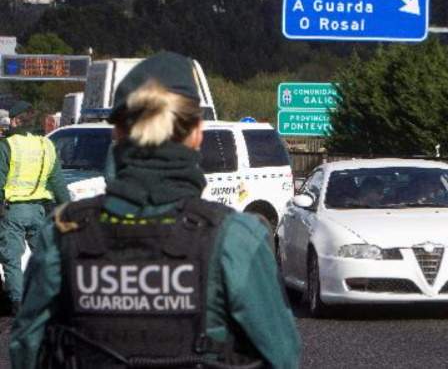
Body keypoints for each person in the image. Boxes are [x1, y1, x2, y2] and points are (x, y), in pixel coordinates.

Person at [10, 52, 301, 369]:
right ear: (196, 135)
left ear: (117, 135)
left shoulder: (64, 233)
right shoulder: (235, 240)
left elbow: (27, 349)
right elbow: (282, 357)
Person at [0, 100, 70, 315]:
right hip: (39, 210)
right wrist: (68, 207)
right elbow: (57, 181)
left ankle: (19, 304)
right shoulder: (46, 145)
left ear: (14, 121)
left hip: (12, 212)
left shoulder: (6, 146)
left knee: (12, 259)